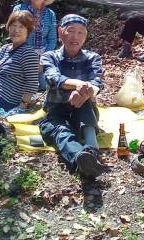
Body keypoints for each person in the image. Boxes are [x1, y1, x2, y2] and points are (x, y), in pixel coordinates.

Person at [39, 14, 108, 178]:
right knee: (60, 131)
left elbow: (97, 83)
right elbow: (53, 78)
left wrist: (85, 91)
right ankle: (80, 158)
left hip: (85, 111)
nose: (75, 37)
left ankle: (92, 150)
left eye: (80, 32)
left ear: (85, 36)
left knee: (84, 101)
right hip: (57, 111)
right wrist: (78, 85)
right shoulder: (49, 57)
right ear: (60, 32)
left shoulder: (93, 58)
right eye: (70, 31)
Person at [14, 0, 58, 90]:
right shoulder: (19, 9)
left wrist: (43, 60)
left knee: (44, 85)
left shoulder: (50, 14)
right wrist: (28, 57)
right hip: (22, 53)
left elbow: (52, 39)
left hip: (43, 55)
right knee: (21, 85)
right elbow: (15, 35)